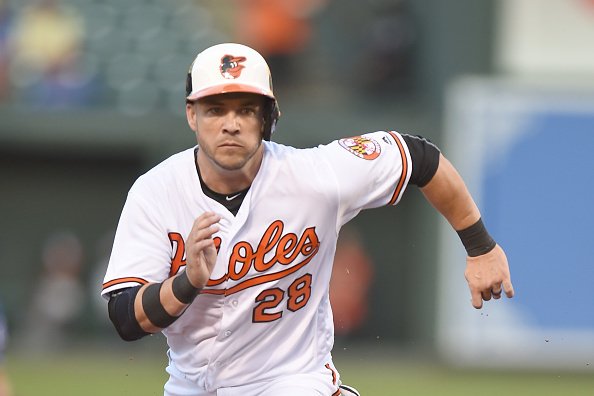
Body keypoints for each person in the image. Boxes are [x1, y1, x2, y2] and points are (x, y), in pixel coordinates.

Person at [102, 43, 514, 396]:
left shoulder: (315, 175)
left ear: (268, 117)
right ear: (192, 116)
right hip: (191, 386)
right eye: (215, 110)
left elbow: (418, 157)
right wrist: (187, 282)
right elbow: (126, 319)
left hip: (291, 380)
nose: (230, 124)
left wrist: (481, 246)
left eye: (246, 109)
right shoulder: (156, 192)